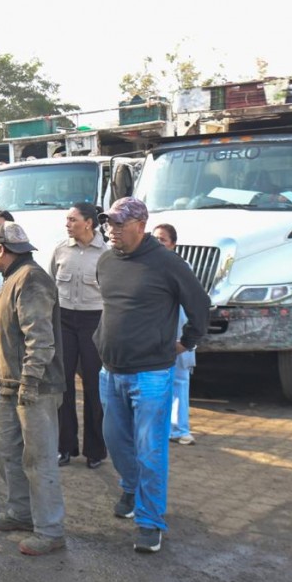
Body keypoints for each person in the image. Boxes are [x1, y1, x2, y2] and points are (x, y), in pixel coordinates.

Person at [95, 197, 209, 554]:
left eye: (119, 224)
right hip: (110, 371)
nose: (112, 230)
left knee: (150, 450)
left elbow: (200, 305)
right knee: (115, 441)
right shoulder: (106, 261)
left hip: (151, 375)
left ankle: (149, 521)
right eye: (109, 223)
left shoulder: (167, 263)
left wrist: (186, 342)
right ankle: (132, 488)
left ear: (141, 225)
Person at [0, 221, 67, 555]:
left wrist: (30, 380)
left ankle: (50, 530)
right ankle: (20, 512)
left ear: (0, 249)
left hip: (35, 388)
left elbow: (40, 337)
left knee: (39, 459)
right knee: (6, 451)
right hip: (12, 385)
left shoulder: (31, 279)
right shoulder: (14, 278)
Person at [50, 202, 108, 468]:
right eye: (67, 219)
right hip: (64, 321)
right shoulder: (61, 249)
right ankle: (64, 447)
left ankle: (95, 450)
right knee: (62, 385)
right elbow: (51, 283)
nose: (67, 224)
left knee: (94, 387)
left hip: (94, 321)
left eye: (73, 220)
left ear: (89, 223)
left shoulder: (106, 254)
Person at [152, 223, 196, 446]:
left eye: (163, 239)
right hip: (152, 331)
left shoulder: (182, 267)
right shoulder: (145, 265)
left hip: (178, 330)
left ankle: (179, 428)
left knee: (179, 379)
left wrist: (188, 337)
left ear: (173, 244)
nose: (158, 243)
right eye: (155, 238)